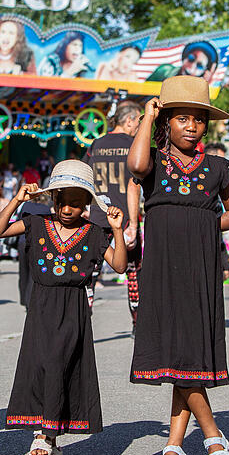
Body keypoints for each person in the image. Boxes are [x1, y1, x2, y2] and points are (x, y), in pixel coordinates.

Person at [127, 76, 229, 455]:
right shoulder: (155, 161)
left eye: (198, 119)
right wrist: (148, 117)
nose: (191, 126)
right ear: (167, 122)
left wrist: (204, 226)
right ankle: (210, 433)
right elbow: (136, 165)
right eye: (182, 119)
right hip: (160, 265)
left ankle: (177, 443)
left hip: (200, 265)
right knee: (178, 348)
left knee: (188, 348)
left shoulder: (217, 167)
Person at [0, 160, 126, 455]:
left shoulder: (93, 233)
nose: (68, 209)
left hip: (73, 309)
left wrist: (117, 230)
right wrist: (17, 200)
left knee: (59, 364)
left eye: (76, 203)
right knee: (40, 367)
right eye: (62, 201)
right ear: (53, 200)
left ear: (87, 206)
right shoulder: (35, 223)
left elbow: (119, 265)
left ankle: (44, 436)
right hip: (39, 307)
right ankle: (53, 449)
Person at [82, 100, 142, 327]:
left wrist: (86, 208)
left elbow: (84, 175)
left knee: (89, 273)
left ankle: (83, 323)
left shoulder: (97, 144)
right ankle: (138, 324)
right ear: (129, 120)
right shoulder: (134, 144)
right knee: (134, 273)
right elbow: (134, 184)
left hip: (98, 217)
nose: (139, 127)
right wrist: (134, 225)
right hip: (125, 219)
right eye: (138, 121)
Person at [145, 41, 219, 83]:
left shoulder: (195, 89)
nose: (192, 66)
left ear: (204, 71)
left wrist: (205, 87)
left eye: (199, 65)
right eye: (191, 59)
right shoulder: (164, 71)